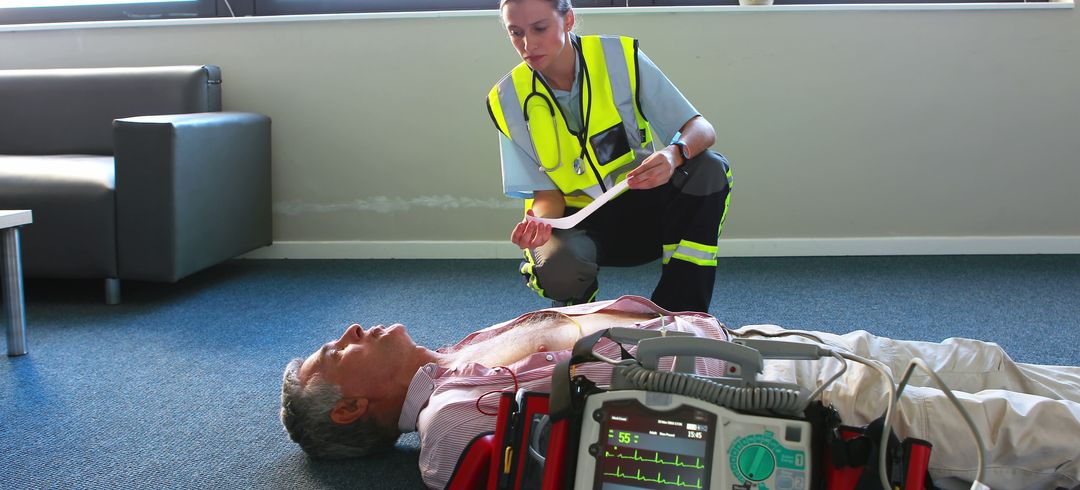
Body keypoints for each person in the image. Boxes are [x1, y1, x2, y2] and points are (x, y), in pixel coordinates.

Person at [280, 296, 1080, 490]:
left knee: (980, 358)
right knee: (999, 427)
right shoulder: (453, 426)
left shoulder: (456, 353)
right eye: (333, 353)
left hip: (753, 344)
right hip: (775, 402)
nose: (348, 330)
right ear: (352, 408)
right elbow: (603, 454)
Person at [485, 0, 733, 312]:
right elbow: (546, 196)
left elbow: (702, 129)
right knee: (557, 268)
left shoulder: (619, 59)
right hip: (580, 225)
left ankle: (678, 311)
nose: (528, 45)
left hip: (647, 211)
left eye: (540, 28)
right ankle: (581, 317)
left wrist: (674, 155)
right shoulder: (507, 100)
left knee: (710, 168)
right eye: (516, 33)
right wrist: (538, 224)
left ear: (568, 20)